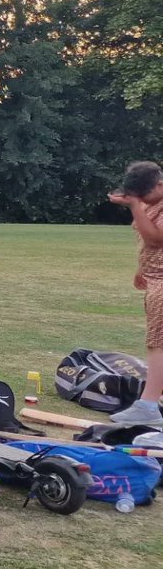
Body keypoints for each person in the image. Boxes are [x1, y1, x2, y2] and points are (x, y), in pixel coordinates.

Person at [108, 161, 163, 427]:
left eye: (144, 194)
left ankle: (148, 406)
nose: (141, 200)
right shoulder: (153, 201)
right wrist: (143, 267)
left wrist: (133, 205)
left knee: (158, 344)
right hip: (155, 279)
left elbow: (155, 238)